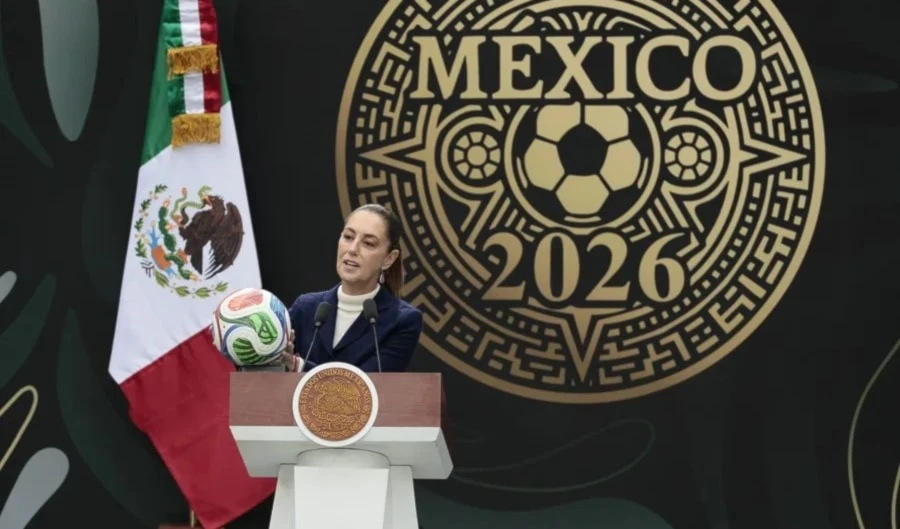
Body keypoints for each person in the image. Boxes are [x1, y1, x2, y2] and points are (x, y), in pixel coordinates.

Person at [281, 204, 423, 373]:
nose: (353, 249)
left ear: (389, 259)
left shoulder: (402, 321)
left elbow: (364, 384)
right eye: (348, 237)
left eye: (368, 243)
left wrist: (298, 366)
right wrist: (278, 356)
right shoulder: (305, 308)